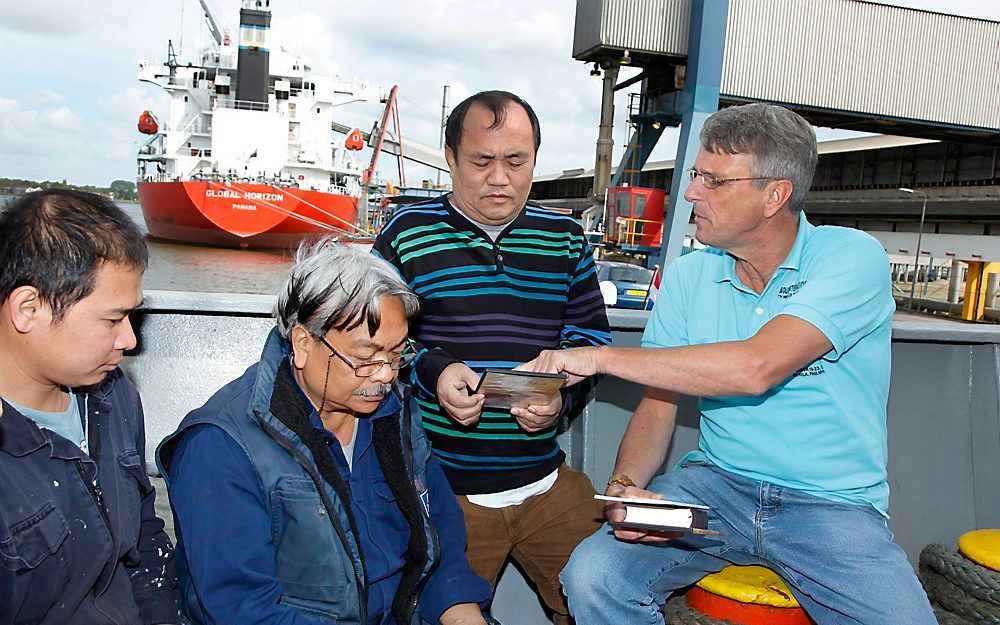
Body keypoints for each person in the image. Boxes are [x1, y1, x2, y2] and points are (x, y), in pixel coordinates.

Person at [525, 103, 938, 625]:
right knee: (593, 578)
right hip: (715, 487)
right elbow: (659, 403)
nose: (692, 192)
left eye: (713, 181)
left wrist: (596, 357)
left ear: (774, 195)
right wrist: (627, 489)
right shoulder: (688, 277)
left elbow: (757, 367)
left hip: (830, 505)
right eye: (696, 175)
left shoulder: (851, 258)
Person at [156, 240, 493, 625]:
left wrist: (461, 611)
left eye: (397, 354)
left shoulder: (395, 412)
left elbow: (440, 539)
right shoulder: (222, 446)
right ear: (303, 343)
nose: (385, 375)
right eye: (365, 358)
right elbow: (242, 609)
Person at [373, 90, 611, 625]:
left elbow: (591, 342)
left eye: (516, 161)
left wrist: (559, 399)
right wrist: (433, 371)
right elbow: (373, 341)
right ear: (451, 158)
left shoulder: (567, 239)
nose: (500, 179)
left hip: (548, 484)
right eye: (482, 162)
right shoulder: (405, 235)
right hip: (443, 489)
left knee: (614, 594)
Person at [0, 190, 181, 625]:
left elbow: (142, 542)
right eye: (112, 319)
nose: (130, 340)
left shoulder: (112, 397)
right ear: (29, 309)